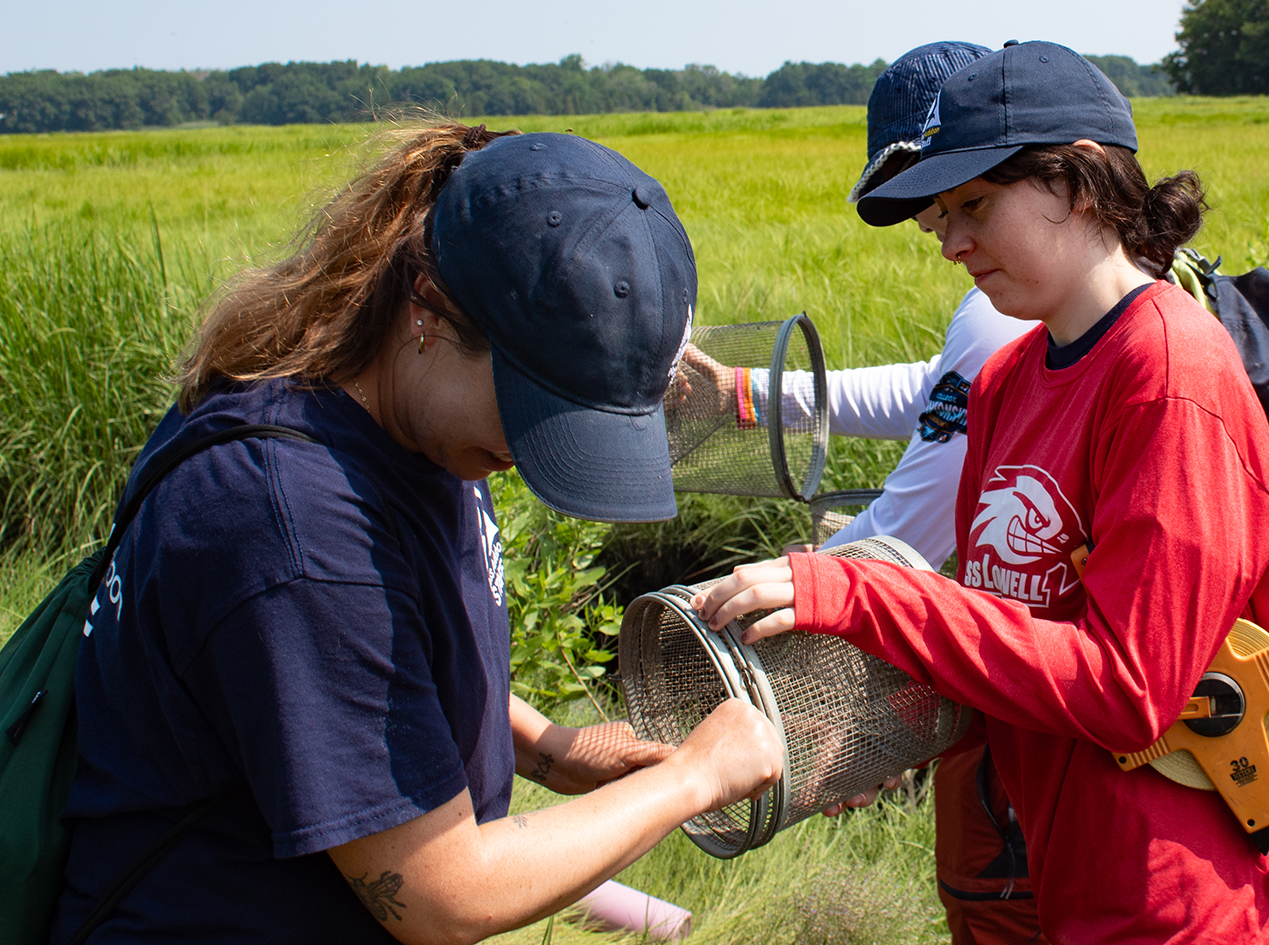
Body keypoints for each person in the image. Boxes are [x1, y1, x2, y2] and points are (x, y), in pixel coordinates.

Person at [54, 124, 782, 944]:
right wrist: (692, 778)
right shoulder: (290, 524)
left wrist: (550, 749)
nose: (521, 456)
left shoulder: (408, 423)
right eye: (532, 413)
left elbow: (378, 659)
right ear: (427, 308)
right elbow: (443, 894)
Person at [694, 42, 1269, 944]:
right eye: (941, 218)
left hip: (1188, 899)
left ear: (1076, 182)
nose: (952, 244)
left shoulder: (1170, 376)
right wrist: (891, 726)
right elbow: (1011, 632)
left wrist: (867, 591)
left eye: (976, 206)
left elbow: (1132, 690)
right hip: (1062, 876)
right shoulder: (1007, 382)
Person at [671, 41, 1047, 942]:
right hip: (1058, 685)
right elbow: (943, 388)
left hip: (1047, 733)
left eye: (963, 209)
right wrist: (752, 397)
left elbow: (908, 535)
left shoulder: (1004, 307)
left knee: (1005, 909)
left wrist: (767, 640)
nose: (949, 240)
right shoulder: (1046, 296)